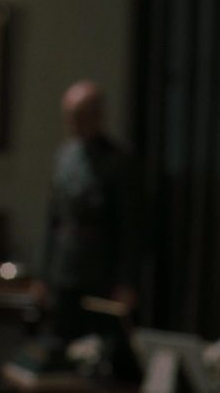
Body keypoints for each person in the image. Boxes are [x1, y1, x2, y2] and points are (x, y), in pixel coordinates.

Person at [33, 80, 145, 342]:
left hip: (101, 270)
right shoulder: (64, 156)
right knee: (60, 339)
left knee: (100, 344)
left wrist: (127, 281)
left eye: (79, 116)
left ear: (97, 116)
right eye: (69, 116)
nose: (72, 123)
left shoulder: (119, 161)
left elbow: (131, 226)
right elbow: (53, 219)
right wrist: (43, 275)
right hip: (64, 268)